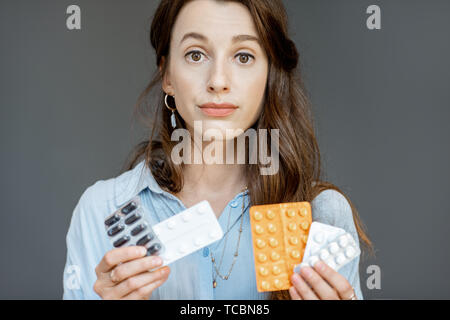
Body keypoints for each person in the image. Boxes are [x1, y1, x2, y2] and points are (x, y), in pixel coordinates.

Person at [63, 0, 373, 300]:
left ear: (269, 75)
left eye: (243, 56)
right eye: (196, 55)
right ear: (167, 75)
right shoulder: (102, 210)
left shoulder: (322, 215)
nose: (218, 81)